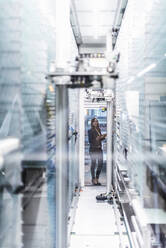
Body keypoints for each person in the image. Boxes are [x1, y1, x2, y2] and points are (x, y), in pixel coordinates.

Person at [88, 118, 106, 185]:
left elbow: (100, 140)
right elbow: (90, 141)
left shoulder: (98, 129)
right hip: (93, 149)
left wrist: (103, 137)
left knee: (100, 164)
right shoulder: (90, 131)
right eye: (94, 121)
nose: (96, 123)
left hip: (99, 149)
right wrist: (97, 139)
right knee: (93, 164)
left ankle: (97, 178)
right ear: (92, 123)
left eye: (96, 121)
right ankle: (93, 179)